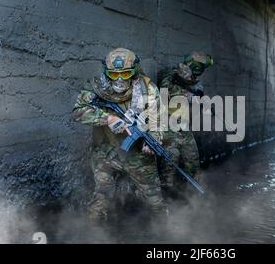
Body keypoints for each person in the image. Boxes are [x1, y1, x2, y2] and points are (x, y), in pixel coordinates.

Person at [72, 48, 166, 222]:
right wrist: (107, 118)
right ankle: (92, 233)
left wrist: (153, 139)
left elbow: (158, 118)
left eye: (125, 73)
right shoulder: (97, 87)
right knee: (102, 194)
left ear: (134, 72)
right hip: (104, 151)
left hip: (137, 154)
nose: (120, 79)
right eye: (114, 75)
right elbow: (78, 112)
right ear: (107, 73)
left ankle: (165, 233)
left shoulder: (148, 89)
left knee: (154, 198)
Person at [157, 51, 214, 198]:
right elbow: (164, 92)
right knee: (169, 162)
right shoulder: (171, 74)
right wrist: (189, 96)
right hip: (167, 125)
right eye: (200, 69)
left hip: (183, 126)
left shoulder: (194, 81)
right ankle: (167, 196)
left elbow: (197, 96)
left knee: (193, 159)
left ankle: (195, 197)